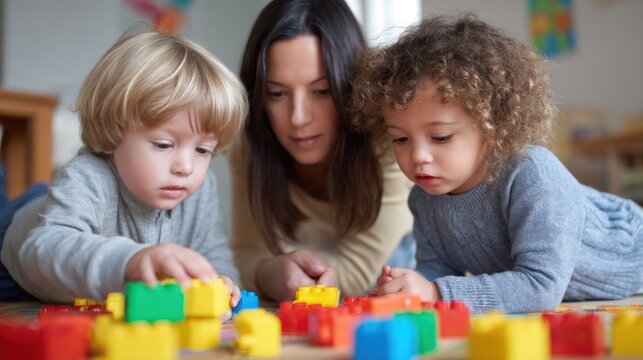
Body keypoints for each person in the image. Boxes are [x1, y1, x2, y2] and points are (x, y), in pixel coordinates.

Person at [353, 14, 643, 313]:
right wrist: (408, 286)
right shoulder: (425, 198)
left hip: (635, 252)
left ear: (492, 128)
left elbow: (540, 286)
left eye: (439, 137)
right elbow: (437, 273)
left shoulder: (533, 175)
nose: (417, 156)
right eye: (400, 139)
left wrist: (436, 292)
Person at [0, 28, 247, 307]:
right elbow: (42, 249)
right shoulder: (89, 176)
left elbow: (212, 252)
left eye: (203, 150)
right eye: (164, 145)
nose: (186, 167)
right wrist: (130, 261)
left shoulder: (198, 190)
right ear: (112, 136)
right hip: (11, 256)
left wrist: (220, 280)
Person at [230, 0, 414, 302]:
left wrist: (272, 272)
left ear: (352, 88)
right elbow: (245, 256)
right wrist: (269, 272)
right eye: (277, 94)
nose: (298, 117)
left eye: (321, 91)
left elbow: (361, 277)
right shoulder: (251, 144)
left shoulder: (389, 141)